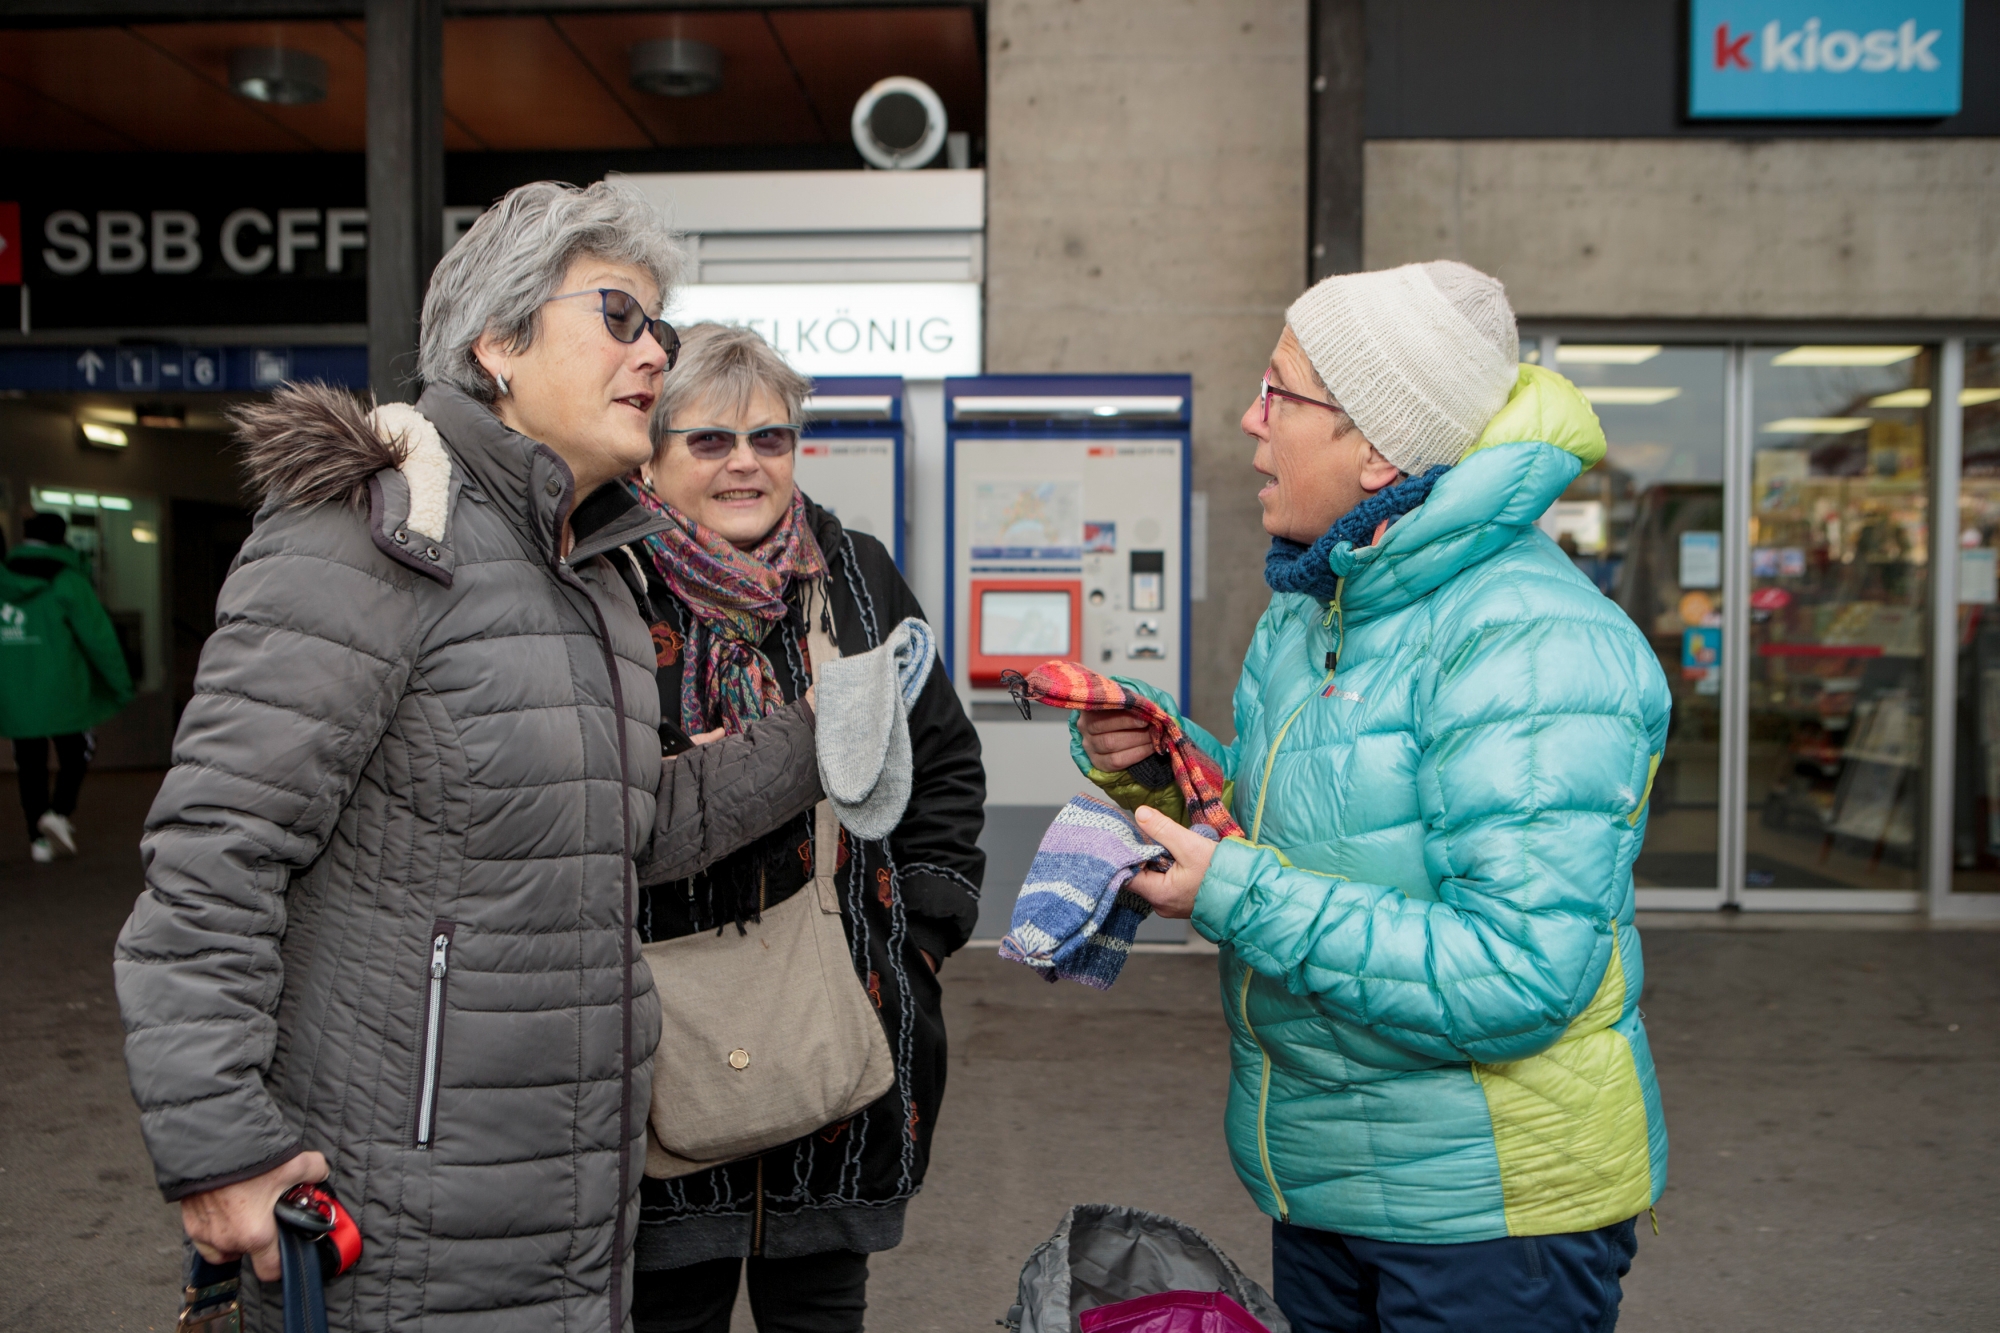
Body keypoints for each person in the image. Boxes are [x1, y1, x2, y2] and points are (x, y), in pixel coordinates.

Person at [114, 181, 834, 1332]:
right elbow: (215, 857)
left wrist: (818, 737)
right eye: (619, 315)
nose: (656, 352)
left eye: (664, 326)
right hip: (399, 1221)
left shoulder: (594, 575)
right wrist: (217, 1148)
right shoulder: (369, 535)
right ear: (497, 341)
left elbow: (624, 828)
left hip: (568, 1219)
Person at [1074, 262, 1671, 1332]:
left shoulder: (1528, 642)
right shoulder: (1313, 609)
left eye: (1280, 394)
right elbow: (1320, 828)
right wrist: (1168, 768)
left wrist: (1235, 893)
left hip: (1489, 1218)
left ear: (1380, 447)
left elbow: (1518, 972)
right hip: (1335, 1178)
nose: (1247, 422)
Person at [616, 324, 985, 1333]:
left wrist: (922, 929)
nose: (745, 462)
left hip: (844, 1023)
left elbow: (942, 755)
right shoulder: (607, 588)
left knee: (821, 1309)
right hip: (663, 1031)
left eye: (770, 439)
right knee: (665, 1307)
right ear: (650, 452)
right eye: (709, 441)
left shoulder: (854, 575)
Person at [1, 510, 135, 863]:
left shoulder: (3, 579)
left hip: (16, 693)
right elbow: (99, 639)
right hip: (65, 692)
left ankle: (39, 840)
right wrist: (120, 684)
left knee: (30, 766)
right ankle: (57, 814)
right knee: (76, 754)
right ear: (61, 538)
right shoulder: (69, 581)